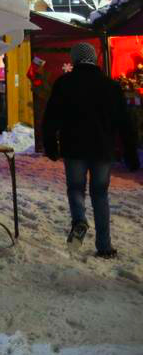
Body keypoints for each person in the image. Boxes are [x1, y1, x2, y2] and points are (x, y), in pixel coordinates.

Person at [43, 42, 140, 258]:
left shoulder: (64, 84)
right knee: (100, 194)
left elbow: (51, 118)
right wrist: (130, 154)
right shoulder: (110, 86)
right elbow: (124, 122)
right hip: (102, 149)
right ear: (94, 59)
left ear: (75, 59)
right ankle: (104, 247)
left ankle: (79, 220)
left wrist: (50, 145)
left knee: (76, 189)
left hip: (74, 147)